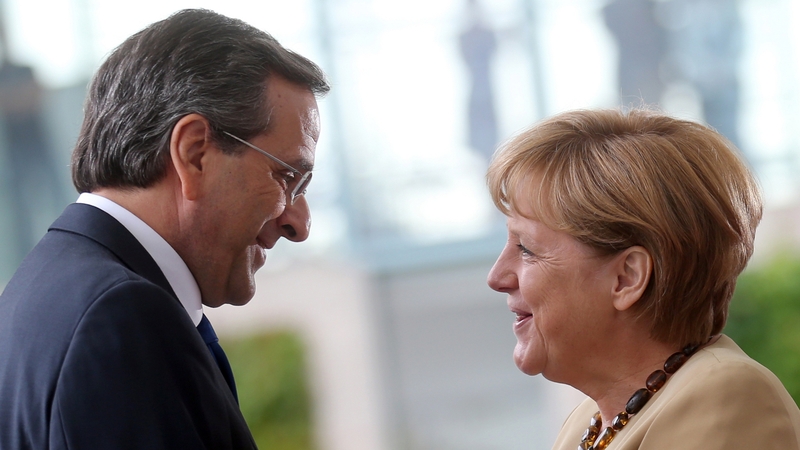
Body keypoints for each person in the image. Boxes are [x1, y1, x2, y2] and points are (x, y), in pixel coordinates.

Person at [0, 9, 329, 449]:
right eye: (286, 177)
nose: (299, 224)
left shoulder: (46, 291)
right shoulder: (119, 318)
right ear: (194, 153)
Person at [486, 108, 800, 449]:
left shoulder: (724, 393)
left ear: (627, 278)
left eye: (526, 248)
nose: (497, 276)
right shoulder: (590, 420)